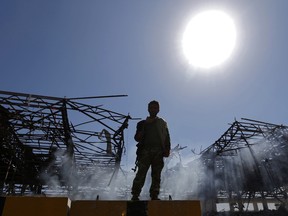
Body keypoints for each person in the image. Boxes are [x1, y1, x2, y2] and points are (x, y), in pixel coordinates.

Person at [131, 100, 171, 200]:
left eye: (155, 107)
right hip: (145, 151)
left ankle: (154, 195)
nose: (153, 109)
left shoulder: (162, 123)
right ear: (148, 109)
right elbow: (136, 138)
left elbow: (167, 137)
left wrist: (167, 149)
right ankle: (135, 195)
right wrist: (144, 128)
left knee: (156, 174)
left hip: (158, 151)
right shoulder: (142, 123)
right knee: (141, 173)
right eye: (151, 107)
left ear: (158, 109)